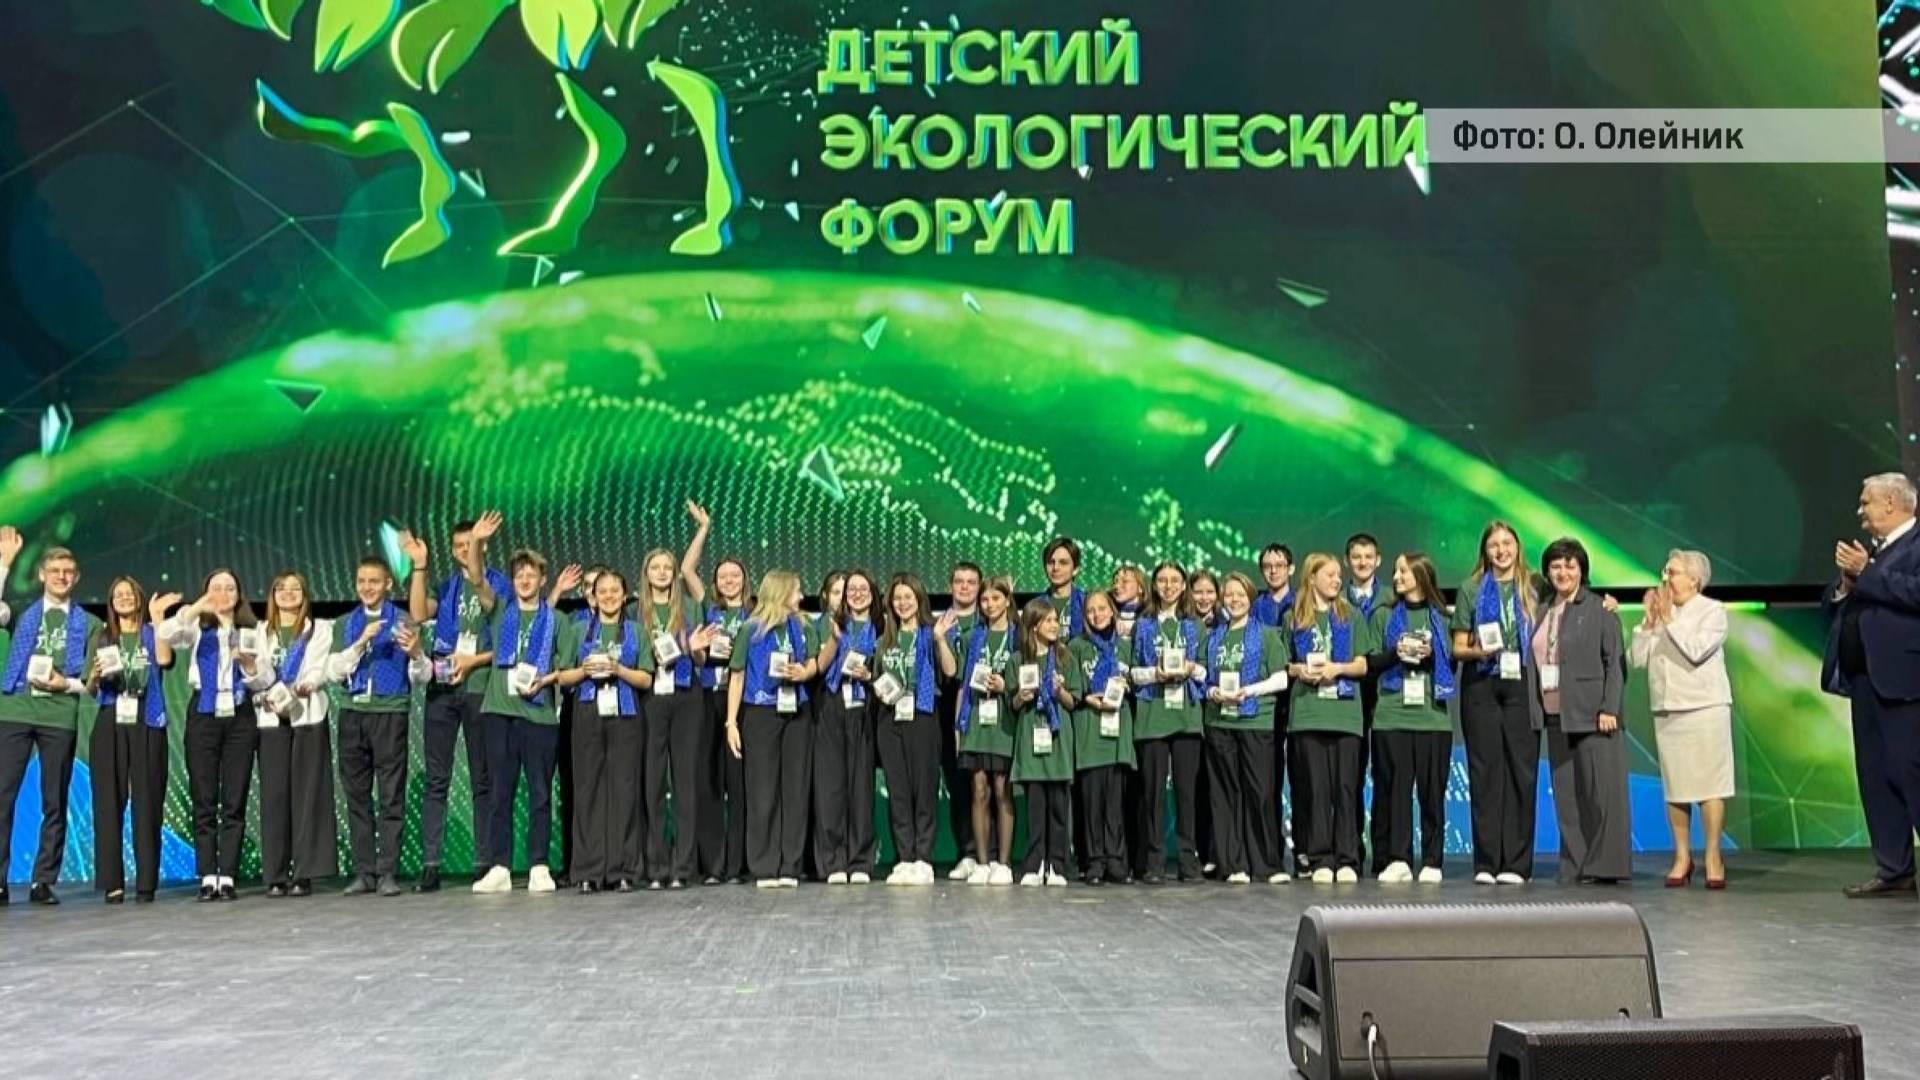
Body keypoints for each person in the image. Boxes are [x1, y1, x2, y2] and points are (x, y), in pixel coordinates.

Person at [1822, 471, 1920, 899]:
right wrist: (1846, 584)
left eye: (1866, 502)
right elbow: (1836, 604)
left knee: (1911, 772)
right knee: (1875, 776)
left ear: (1891, 504)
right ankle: (1894, 868)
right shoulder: (1873, 553)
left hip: (1906, 682)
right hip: (1864, 681)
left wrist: (1868, 573)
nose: (1860, 511)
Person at [401, 521, 507, 893]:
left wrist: (473, 661)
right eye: (459, 544)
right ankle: (431, 864)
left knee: (482, 779)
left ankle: (484, 861)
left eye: (470, 543)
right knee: (437, 779)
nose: (464, 549)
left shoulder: (498, 583)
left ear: (482, 546)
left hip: (479, 685)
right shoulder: (447, 587)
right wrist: (419, 566)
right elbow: (418, 613)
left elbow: (506, 641)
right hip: (443, 686)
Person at [470, 526, 576, 894]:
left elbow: (569, 669)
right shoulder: (500, 611)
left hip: (540, 718)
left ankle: (538, 866)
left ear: (543, 580)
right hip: (499, 714)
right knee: (500, 793)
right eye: (519, 575)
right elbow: (477, 578)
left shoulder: (557, 620)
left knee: (540, 794)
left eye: (531, 575)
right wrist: (477, 542)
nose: (525, 580)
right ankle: (499, 866)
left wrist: (546, 680)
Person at [161, 569, 272, 901]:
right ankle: (208, 875)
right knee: (204, 797)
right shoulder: (196, 625)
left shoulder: (254, 630)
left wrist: (249, 665)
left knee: (235, 799)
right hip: (204, 714)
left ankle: (229, 876)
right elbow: (166, 633)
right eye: (215, 588)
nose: (223, 594)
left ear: (239, 595)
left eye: (230, 588)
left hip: (240, 715)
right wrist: (198, 607)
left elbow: (265, 679)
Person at [0, 541, 101, 905]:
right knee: (3, 795)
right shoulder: (20, 612)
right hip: (15, 710)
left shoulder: (90, 624)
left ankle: (43, 880)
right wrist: (4, 564)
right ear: (42, 575)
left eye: (68, 572)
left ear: (77, 578)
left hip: (59, 716)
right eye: (55, 571)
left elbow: (91, 683)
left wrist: (64, 684)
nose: (61, 577)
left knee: (54, 800)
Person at [324, 557, 431, 896]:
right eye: (362, 581)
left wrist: (416, 653)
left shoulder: (404, 621)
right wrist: (360, 643)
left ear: (387, 584)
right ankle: (364, 872)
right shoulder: (345, 623)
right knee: (356, 796)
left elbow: (422, 676)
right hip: (352, 713)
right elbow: (334, 672)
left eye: (374, 581)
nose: (367, 587)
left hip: (390, 713)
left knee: (390, 796)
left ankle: (387, 872)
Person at [1630, 549, 1733, 889]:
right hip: (1668, 709)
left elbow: (1697, 650)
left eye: (1672, 572)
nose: (1665, 579)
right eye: (1665, 571)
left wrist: (1668, 621)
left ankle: (1713, 855)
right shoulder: (1662, 612)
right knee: (1677, 787)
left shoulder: (1712, 611)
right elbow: (1637, 659)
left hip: (1705, 708)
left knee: (1710, 786)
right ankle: (1682, 856)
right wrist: (1648, 624)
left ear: (1694, 579)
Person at [1450, 521, 1544, 885]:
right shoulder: (1470, 588)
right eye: (1494, 545)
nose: (1501, 551)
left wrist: (1608, 603)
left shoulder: (1535, 586)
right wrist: (1478, 651)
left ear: (1518, 547)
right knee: (1485, 773)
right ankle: (1487, 863)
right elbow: (1458, 646)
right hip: (1482, 683)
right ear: (1485, 551)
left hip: (1522, 682)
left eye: (1507, 543)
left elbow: (1568, 602)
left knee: (1521, 772)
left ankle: (1516, 864)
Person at [1534, 538, 1629, 885]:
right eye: (1556, 566)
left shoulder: (1600, 608)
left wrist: (1609, 708)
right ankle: (1575, 865)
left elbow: (1615, 664)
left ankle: (1605, 866)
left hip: (1594, 716)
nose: (1563, 572)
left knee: (1601, 796)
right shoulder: (1542, 609)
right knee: (1567, 798)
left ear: (1581, 570)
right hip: (1556, 714)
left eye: (1570, 565)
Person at [554, 569, 653, 893]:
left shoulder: (636, 631)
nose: (609, 596)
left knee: (624, 790)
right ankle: (588, 870)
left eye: (615, 591)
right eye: (603, 591)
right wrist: (584, 670)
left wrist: (618, 669)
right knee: (588, 790)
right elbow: (563, 677)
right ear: (593, 597)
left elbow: (646, 679)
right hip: (587, 711)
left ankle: (623, 869)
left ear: (624, 596)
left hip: (626, 713)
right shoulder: (577, 629)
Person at [1285, 554, 1378, 884]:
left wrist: (1337, 669)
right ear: (1312, 578)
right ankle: (1321, 857)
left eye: (1339, 575)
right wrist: (1301, 670)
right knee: (1316, 791)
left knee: (1346, 789)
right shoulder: (1295, 617)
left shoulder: (1351, 615)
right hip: (1308, 714)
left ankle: (1347, 858)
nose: (1337, 580)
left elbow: (1363, 665)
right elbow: (1285, 665)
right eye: (1330, 575)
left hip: (1345, 715)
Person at [725, 569, 818, 888]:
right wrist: (731, 722)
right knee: (762, 791)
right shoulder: (750, 629)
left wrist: (804, 672)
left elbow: (813, 662)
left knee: (794, 790)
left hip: (797, 712)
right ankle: (764, 865)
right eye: (796, 591)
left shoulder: (803, 626)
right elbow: (737, 675)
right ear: (780, 593)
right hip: (761, 712)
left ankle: (790, 865)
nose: (801, 597)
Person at [1365, 553, 1454, 884]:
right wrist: (1397, 653)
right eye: (1396, 570)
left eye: (1403, 571)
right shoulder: (1383, 615)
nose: (1396, 577)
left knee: (1432, 793)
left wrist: (1430, 656)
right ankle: (1398, 858)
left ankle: (1432, 860)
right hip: (1391, 716)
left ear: (1420, 575)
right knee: (1394, 793)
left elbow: (1452, 665)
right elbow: (1371, 662)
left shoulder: (1442, 618)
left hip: (1433, 718)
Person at [87, 577, 175, 904]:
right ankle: (112, 882)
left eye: (129, 594)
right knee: (108, 803)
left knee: (148, 802)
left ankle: (146, 882)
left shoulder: (152, 633)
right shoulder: (103, 636)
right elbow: (91, 689)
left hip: (147, 719)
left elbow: (164, 660)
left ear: (139, 598)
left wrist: (158, 619)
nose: (123, 598)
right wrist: (95, 676)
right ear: (111, 603)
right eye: (117, 595)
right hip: (110, 720)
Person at [1204, 571, 1291, 885]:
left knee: (1260, 792)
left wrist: (1249, 691)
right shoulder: (1213, 637)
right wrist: (1213, 692)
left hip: (1256, 722)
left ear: (1251, 598)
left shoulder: (1266, 635)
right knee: (1225, 795)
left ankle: (1266, 864)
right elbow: (1202, 677)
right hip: (1219, 723)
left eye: (1240, 594)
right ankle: (1233, 864)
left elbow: (1281, 679)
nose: (1234, 600)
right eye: (1229, 595)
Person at [254, 572, 338, 897]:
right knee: (274, 796)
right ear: (272, 595)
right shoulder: (260, 631)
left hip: (307, 714)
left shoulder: (318, 629)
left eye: (295, 588)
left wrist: (305, 685)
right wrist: (269, 693)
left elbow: (317, 667)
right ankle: (275, 874)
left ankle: (305, 873)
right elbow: (257, 672)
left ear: (305, 595)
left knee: (308, 795)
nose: (287, 593)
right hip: (271, 716)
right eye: (281, 588)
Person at [681, 502, 750, 884]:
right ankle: (713, 864)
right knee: (708, 782)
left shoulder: (756, 612)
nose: (728, 580)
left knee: (739, 784)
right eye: (723, 576)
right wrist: (704, 528)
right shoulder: (708, 606)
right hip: (709, 697)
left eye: (734, 575)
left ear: (744, 579)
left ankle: (737, 864)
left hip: (743, 703)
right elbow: (686, 570)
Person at [938, 574, 1017, 885]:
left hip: (1005, 722)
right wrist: (941, 639)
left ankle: (1003, 863)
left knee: (1002, 790)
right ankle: (982, 863)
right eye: (985, 599)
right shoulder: (974, 637)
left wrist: (1005, 685)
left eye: (996, 598)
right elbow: (954, 674)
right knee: (979, 790)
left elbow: (1028, 675)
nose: (989, 604)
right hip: (976, 722)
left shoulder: (1017, 635)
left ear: (1007, 601)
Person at [1130, 561, 1206, 883]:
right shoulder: (1143, 625)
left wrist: (1190, 669)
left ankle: (1188, 861)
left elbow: (1206, 671)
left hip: (1187, 718)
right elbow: (1133, 672)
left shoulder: (1195, 626)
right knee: (1153, 795)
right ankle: (1154, 862)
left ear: (1184, 585)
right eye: (1162, 580)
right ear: (1154, 585)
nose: (1169, 586)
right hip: (1152, 718)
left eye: (1175, 580)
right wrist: (1155, 674)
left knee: (1187, 794)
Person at [639, 546, 705, 889]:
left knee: (685, 783)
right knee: (652, 782)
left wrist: (696, 648)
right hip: (650, 699)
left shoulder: (690, 607)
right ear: (646, 573)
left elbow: (701, 659)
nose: (662, 572)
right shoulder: (635, 611)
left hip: (685, 696)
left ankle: (682, 867)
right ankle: (656, 866)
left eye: (668, 567)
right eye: (656, 567)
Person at [877, 573, 946, 885]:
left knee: (924, 790)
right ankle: (904, 857)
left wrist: (941, 640)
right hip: (890, 720)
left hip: (923, 716)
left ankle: (923, 857)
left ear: (919, 600)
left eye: (908, 597)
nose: (902, 603)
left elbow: (950, 670)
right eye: (897, 598)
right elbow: (878, 677)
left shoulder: (931, 635)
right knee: (899, 791)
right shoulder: (884, 641)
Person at [816, 569, 879, 884]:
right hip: (832, 705)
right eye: (850, 589)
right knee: (831, 787)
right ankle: (834, 862)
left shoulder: (882, 627)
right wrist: (834, 639)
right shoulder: (830, 624)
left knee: (861, 787)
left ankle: (860, 861)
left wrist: (870, 676)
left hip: (864, 707)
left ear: (872, 593)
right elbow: (820, 666)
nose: (856, 594)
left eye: (862, 588)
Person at [1010, 598, 1078, 886]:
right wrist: (1021, 696)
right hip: (1031, 737)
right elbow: (1012, 703)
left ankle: (1057, 865)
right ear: (1034, 625)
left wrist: (1059, 691)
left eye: (1056, 620)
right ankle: (1034, 863)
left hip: (1057, 738)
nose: (1054, 625)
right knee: (1035, 808)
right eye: (1048, 620)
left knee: (1059, 808)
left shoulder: (1065, 657)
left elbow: (1073, 702)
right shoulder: (1018, 660)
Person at [1072, 590, 1136, 885]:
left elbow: (1137, 680)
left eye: (1102, 608)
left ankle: (1116, 860)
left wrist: (1128, 685)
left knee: (1115, 804)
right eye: (1090, 610)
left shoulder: (1125, 645)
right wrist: (1089, 698)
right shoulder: (1076, 647)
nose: (1097, 615)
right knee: (1091, 804)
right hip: (1090, 731)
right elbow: (1073, 690)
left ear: (1112, 611)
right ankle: (1094, 862)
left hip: (1117, 732)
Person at [1345, 533, 1385, 873]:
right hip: (1346, 693)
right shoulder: (1334, 598)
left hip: (1386, 693)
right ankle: (1351, 849)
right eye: (1356, 557)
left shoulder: (1391, 598)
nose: (1362, 562)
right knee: (1351, 776)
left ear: (1378, 560)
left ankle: (1384, 853)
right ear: (1347, 561)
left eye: (1368, 556)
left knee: (1385, 774)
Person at [939, 561, 984, 866]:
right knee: (957, 782)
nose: (965, 587)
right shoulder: (938, 625)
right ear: (950, 586)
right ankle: (966, 851)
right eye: (959, 581)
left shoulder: (989, 623)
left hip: (983, 708)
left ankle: (987, 853)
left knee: (984, 783)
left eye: (971, 582)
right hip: (947, 710)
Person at [1042, 537, 1088, 637]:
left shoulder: (1086, 604)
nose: (1056, 568)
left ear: (1075, 569)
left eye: (1063, 563)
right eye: (1051, 562)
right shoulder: (1035, 607)